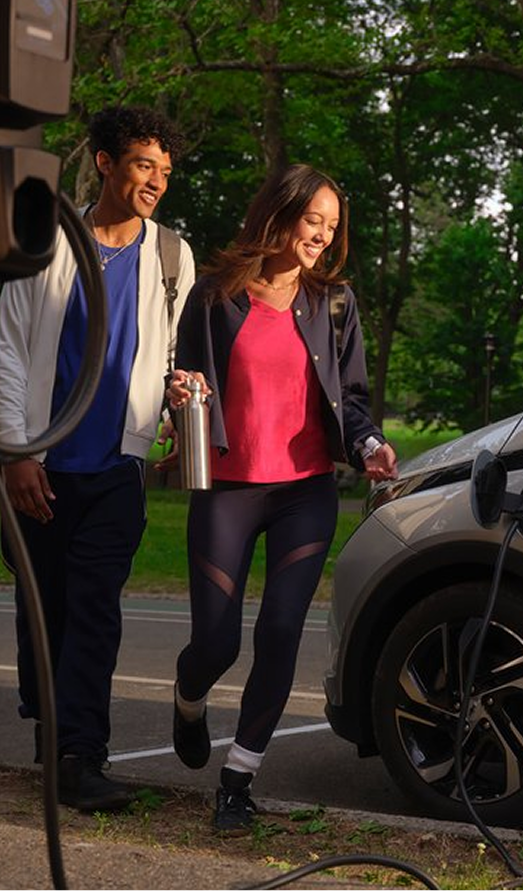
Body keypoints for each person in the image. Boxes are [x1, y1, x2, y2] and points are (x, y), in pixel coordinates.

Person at [165, 163, 397, 834]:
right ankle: (188, 699)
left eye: (331, 225)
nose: (322, 235)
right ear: (279, 213)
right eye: (312, 220)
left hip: (305, 493)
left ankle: (237, 778)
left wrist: (370, 443)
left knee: (279, 632)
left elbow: (350, 402)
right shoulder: (214, 295)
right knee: (214, 642)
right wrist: (178, 397)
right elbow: (184, 384)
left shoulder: (335, 303)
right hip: (229, 488)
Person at [0, 106, 194, 811]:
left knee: (95, 610)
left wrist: (174, 400)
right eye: (143, 164)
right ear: (105, 163)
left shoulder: (172, 255)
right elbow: (9, 347)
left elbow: (168, 352)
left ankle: (81, 756)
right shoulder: (45, 240)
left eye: (165, 171)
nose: (156, 182)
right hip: (41, 464)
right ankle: (52, 733)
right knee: (42, 611)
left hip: (115, 467)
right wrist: (16, 453)